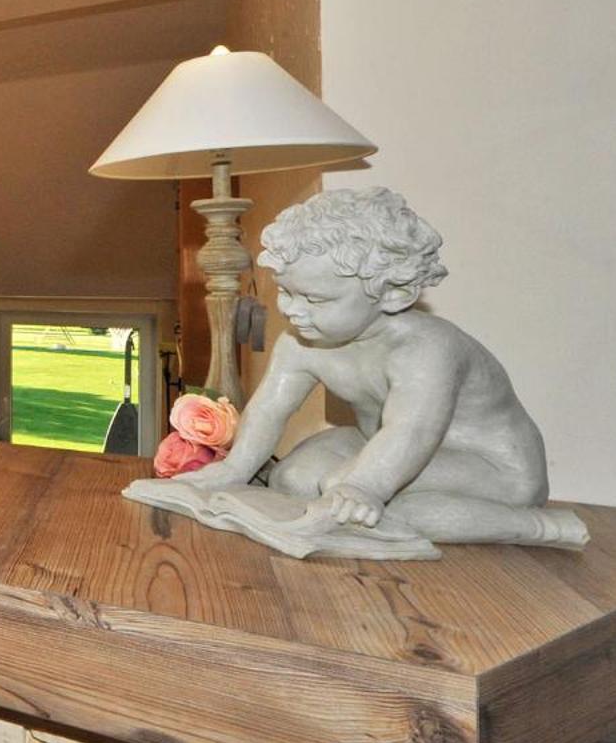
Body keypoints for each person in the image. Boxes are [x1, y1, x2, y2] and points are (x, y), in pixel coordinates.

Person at [173, 188, 585, 548]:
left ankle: (541, 526)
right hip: (386, 446)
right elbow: (269, 409)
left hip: (490, 468)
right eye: (286, 292)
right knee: (291, 479)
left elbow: (413, 430)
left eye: (315, 299)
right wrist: (233, 469)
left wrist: (363, 486)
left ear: (392, 293)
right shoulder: (302, 340)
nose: (293, 310)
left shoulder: (425, 347)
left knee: (367, 502)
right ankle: (360, 491)